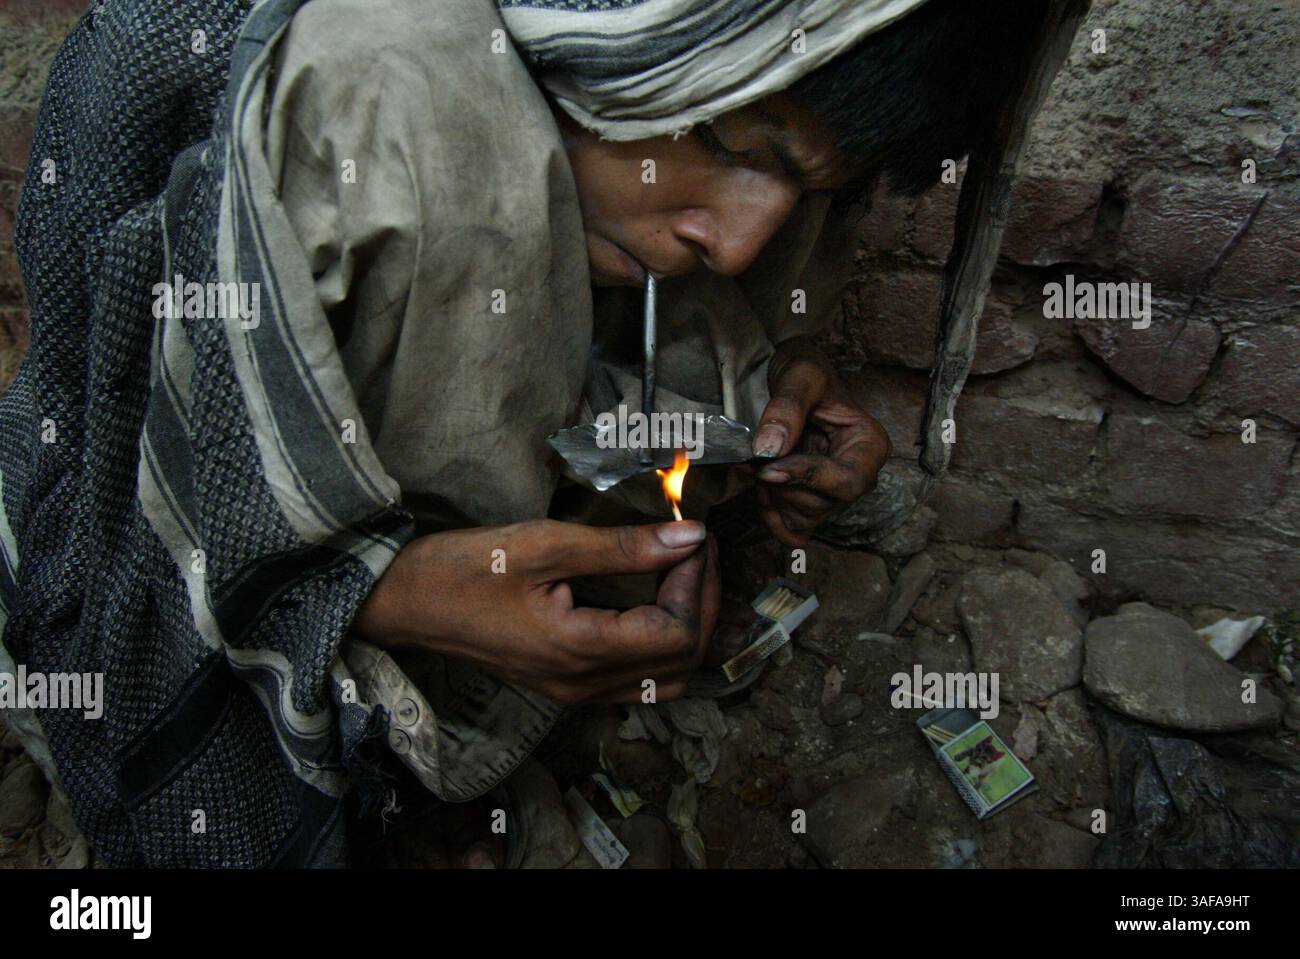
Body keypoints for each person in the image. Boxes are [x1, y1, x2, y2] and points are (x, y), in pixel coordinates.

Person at [1, 0, 1043, 866]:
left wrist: (768, 387)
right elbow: (131, 479)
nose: (733, 244)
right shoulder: (368, 92)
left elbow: (724, 299)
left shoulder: (698, 107)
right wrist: (385, 591)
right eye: (729, 142)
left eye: (815, 190)